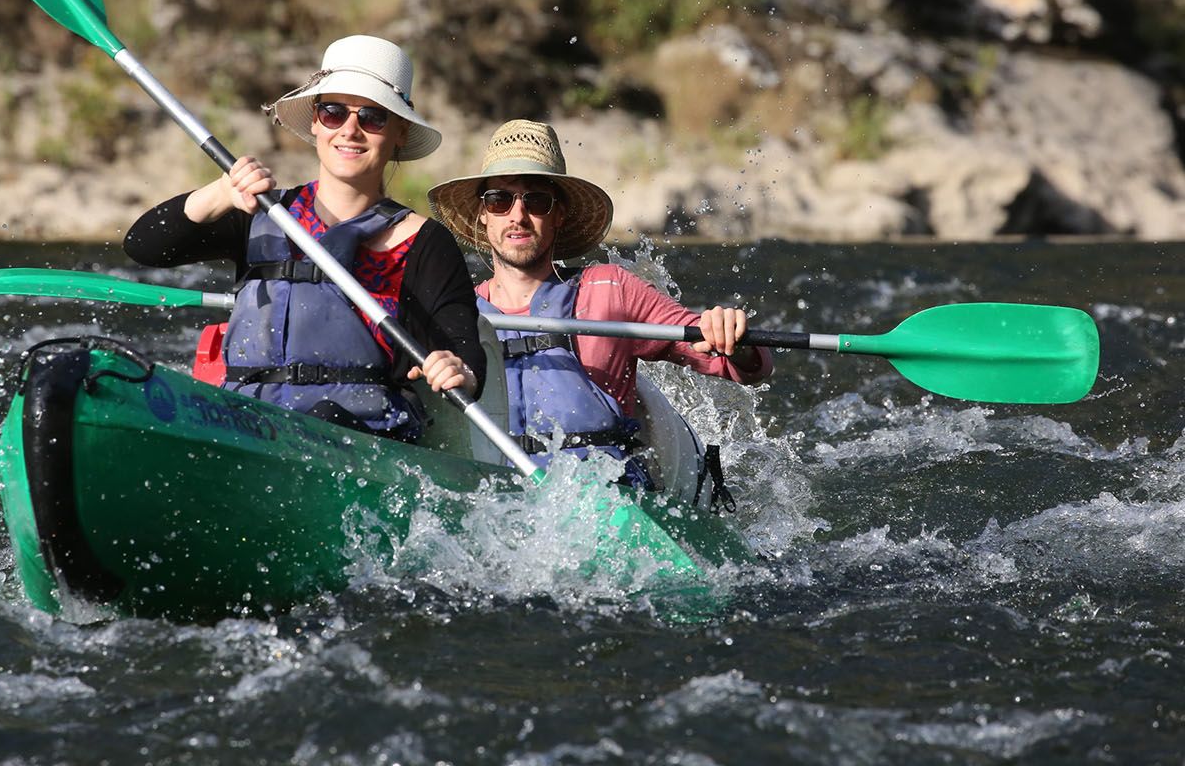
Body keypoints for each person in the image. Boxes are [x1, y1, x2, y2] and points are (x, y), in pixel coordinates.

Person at [124, 34, 483, 441]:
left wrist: (459, 370)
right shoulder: (257, 211)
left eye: (373, 117)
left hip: (359, 434)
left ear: (399, 132)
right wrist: (219, 193)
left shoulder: (423, 241)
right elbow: (143, 246)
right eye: (334, 112)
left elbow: (465, 350)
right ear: (315, 121)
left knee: (323, 417)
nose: (351, 130)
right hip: (248, 421)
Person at [427, 119, 773, 483]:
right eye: (499, 200)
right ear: (483, 215)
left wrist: (732, 339)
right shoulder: (459, 314)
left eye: (536, 201)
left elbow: (746, 367)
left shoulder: (609, 290)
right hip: (502, 501)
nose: (517, 216)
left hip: (605, 500)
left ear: (558, 214)